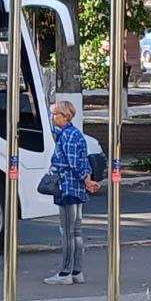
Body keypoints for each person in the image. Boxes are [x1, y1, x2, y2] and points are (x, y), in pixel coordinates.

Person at [43, 100, 100, 285]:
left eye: (55, 114)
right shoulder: (77, 134)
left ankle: (65, 273)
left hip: (67, 186)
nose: (53, 118)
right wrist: (88, 180)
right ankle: (77, 271)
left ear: (65, 116)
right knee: (77, 231)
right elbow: (84, 161)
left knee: (66, 232)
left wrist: (85, 179)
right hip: (78, 189)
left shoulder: (67, 136)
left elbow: (74, 163)